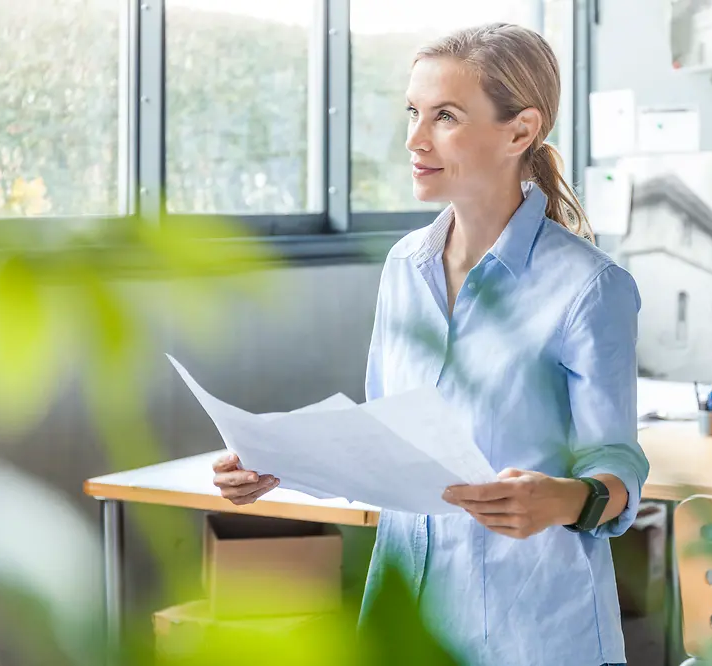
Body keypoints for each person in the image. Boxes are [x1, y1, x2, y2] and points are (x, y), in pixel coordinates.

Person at [212, 22, 649, 666]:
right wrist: (280, 464)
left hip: (532, 630)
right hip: (408, 620)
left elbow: (619, 467)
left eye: (444, 116)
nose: (415, 139)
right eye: (413, 113)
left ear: (520, 132)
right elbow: (383, 443)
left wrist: (562, 498)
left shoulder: (589, 287)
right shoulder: (403, 266)